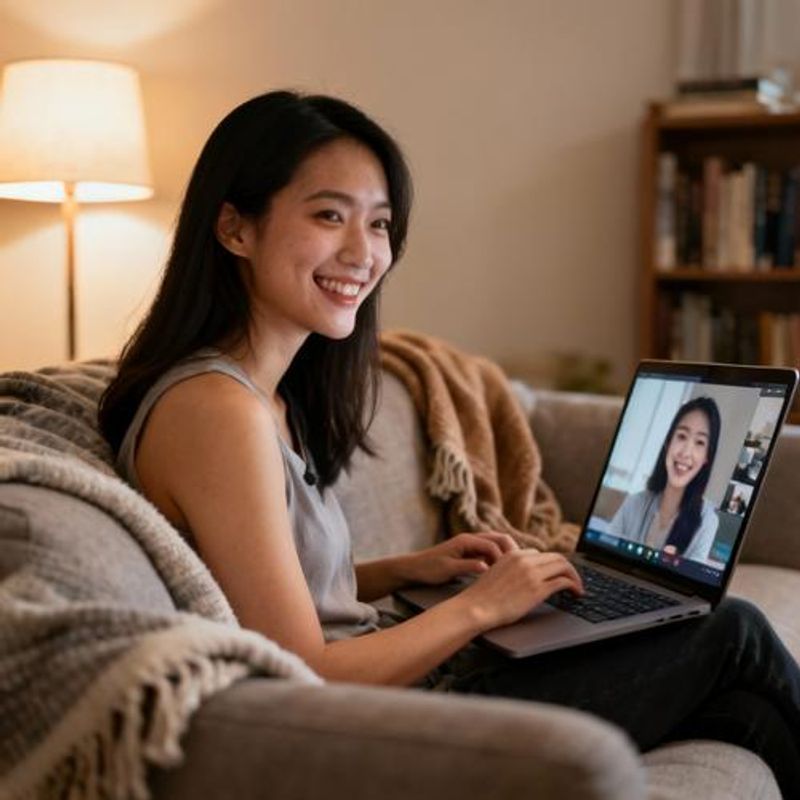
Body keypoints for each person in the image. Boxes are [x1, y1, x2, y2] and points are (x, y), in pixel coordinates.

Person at [99, 91, 800, 796]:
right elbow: (301, 669)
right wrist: (480, 606)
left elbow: (272, 580)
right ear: (234, 228)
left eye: (379, 224)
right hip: (388, 725)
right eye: (328, 215)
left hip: (404, 687)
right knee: (731, 630)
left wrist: (408, 568)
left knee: (744, 707)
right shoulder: (215, 411)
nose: (363, 253)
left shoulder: (265, 398)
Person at [608, 397, 720, 562]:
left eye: (700, 442)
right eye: (681, 436)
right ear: (668, 443)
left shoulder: (707, 523)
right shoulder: (634, 503)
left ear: (706, 458)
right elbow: (604, 554)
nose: (686, 452)